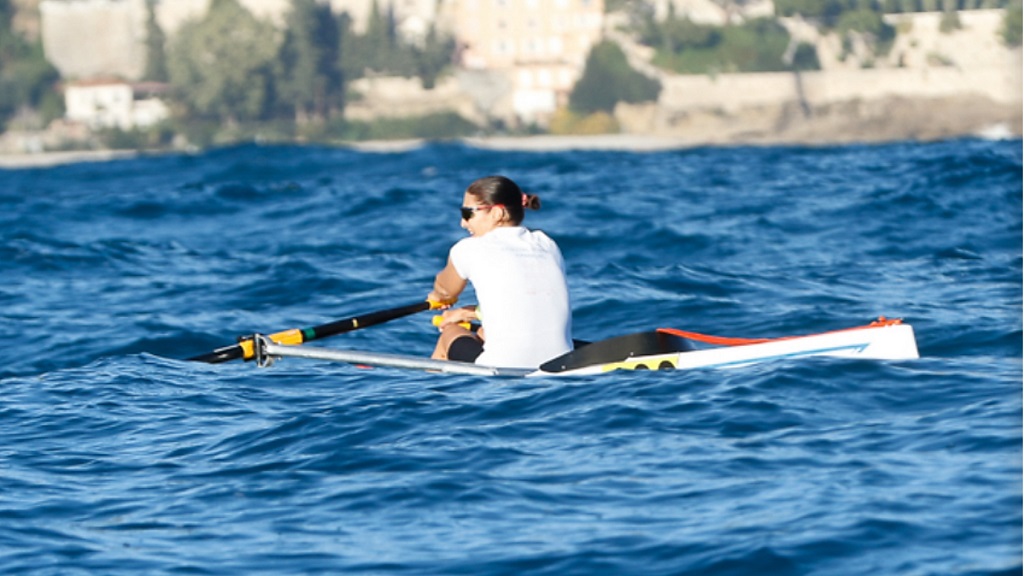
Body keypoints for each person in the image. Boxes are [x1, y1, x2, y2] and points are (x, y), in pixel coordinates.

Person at [428, 175, 573, 369]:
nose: (463, 223)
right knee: (482, 334)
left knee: (450, 332)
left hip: (502, 368)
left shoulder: (468, 249)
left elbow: (446, 291)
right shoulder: (546, 243)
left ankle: (429, 390)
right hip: (563, 361)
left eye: (467, 213)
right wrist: (467, 313)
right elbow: (521, 299)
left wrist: (439, 297)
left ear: (497, 213)